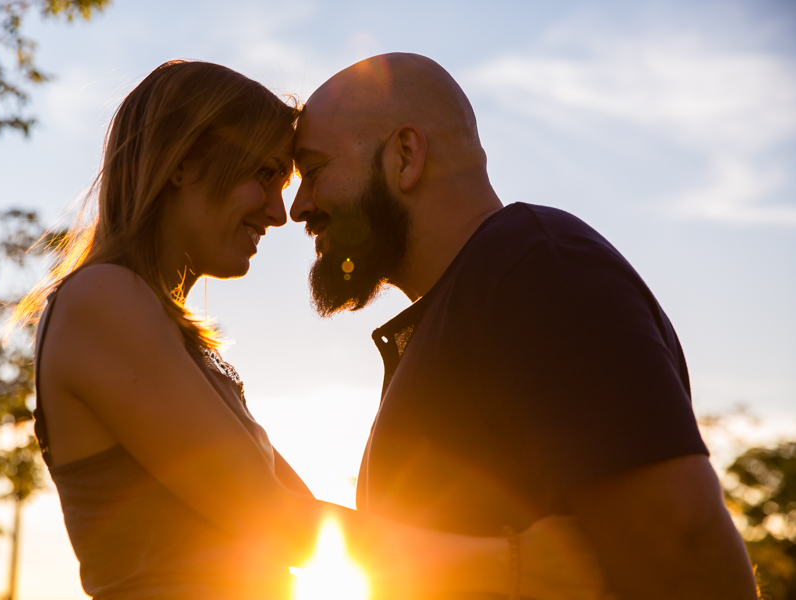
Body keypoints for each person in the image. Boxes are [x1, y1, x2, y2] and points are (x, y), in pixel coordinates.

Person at [13, 59, 607, 600]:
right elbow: (267, 514)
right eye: (265, 174)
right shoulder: (103, 299)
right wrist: (515, 565)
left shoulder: (157, 329)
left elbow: (300, 510)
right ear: (184, 163)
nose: (279, 212)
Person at [289, 53, 759, 600]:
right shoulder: (480, 295)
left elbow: (685, 544)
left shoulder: (535, 266)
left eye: (315, 169)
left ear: (406, 154)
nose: (299, 207)